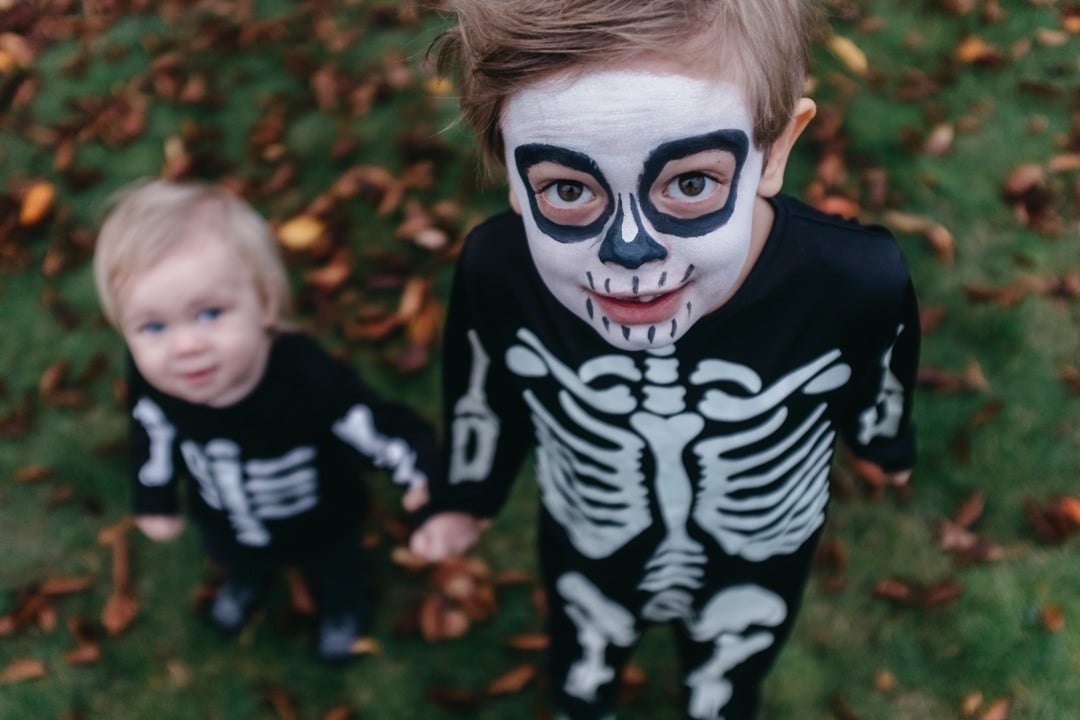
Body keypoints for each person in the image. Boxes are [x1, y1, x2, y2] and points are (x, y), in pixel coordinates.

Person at [410, 1, 920, 717]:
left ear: (772, 151)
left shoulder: (854, 281)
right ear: (512, 174)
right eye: (567, 190)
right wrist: (469, 494)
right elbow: (481, 387)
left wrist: (881, 440)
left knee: (729, 673)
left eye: (688, 184)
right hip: (586, 537)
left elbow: (883, 370)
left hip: (761, 556)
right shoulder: (498, 272)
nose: (631, 251)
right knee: (583, 655)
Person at [94, 178, 437, 664]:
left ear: (267, 304)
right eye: (152, 327)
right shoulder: (155, 381)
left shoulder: (304, 375)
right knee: (234, 555)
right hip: (222, 515)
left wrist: (422, 469)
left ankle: (345, 608)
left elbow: (375, 424)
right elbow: (151, 435)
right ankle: (245, 581)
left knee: (340, 567)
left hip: (323, 517)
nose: (185, 346)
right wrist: (154, 498)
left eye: (210, 313)